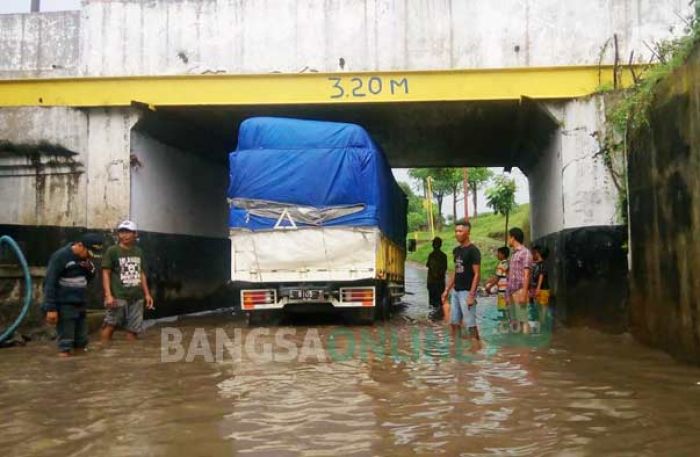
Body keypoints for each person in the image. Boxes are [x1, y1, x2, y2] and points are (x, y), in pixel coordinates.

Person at [42, 233, 103, 357]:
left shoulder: (86, 261)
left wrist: (90, 269)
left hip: (80, 303)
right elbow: (50, 282)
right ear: (80, 245)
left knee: (82, 342)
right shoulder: (60, 257)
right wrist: (51, 308)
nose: (89, 258)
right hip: (65, 305)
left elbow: (89, 278)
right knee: (66, 344)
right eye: (89, 254)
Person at [101, 220, 154, 342]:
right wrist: (108, 295)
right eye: (122, 232)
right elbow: (105, 273)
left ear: (135, 234)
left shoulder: (138, 251)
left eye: (128, 232)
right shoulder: (112, 251)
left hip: (136, 297)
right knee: (110, 325)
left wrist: (147, 294)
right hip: (118, 297)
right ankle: (102, 353)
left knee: (133, 331)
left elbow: (141, 273)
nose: (124, 235)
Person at [441, 220, 481, 342]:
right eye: (456, 231)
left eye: (460, 231)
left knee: (470, 326)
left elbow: (477, 274)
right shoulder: (457, 251)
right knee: (454, 324)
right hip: (456, 292)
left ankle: (476, 348)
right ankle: (457, 348)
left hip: (467, 292)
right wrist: (447, 289)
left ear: (467, 233)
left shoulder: (473, 250)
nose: (457, 234)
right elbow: (456, 272)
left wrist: (471, 295)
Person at [506, 227, 533, 332]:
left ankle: (526, 345)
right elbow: (511, 275)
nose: (508, 240)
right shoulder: (514, 254)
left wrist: (524, 293)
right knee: (515, 320)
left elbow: (527, 274)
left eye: (509, 237)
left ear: (513, 238)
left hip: (520, 290)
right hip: (512, 291)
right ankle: (519, 345)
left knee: (523, 319)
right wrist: (508, 294)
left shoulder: (525, 253)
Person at [485, 246, 510, 321]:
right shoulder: (506, 263)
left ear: (503, 254)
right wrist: (489, 281)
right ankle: (505, 320)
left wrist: (489, 286)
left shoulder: (502, 264)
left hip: (503, 290)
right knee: (503, 308)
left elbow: (497, 278)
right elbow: (498, 276)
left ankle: (504, 321)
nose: (497, 255)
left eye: (498, 253)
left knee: (502, 308)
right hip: (504, 289)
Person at [530, 245, 551, 332]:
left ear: (539, 253)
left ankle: (543, 326)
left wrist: (537, 288)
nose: (534, 254)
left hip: (543, 290)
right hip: (540, 290)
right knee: (540, 308)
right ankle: (541, 325)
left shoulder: (542, 265)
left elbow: (541, 277)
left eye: (535, 252)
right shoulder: (538, 264)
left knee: (542, 309)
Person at [426, 237, 448, 317]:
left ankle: (433, 317)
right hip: (440, 282)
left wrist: (435, 274)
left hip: (432, 282)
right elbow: (445, 268)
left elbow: (428, 265)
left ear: (433, 245)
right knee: (440, 301)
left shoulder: (431, 255)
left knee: (432, 302)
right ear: (440, 245)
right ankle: (439, 316)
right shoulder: (444, 256)